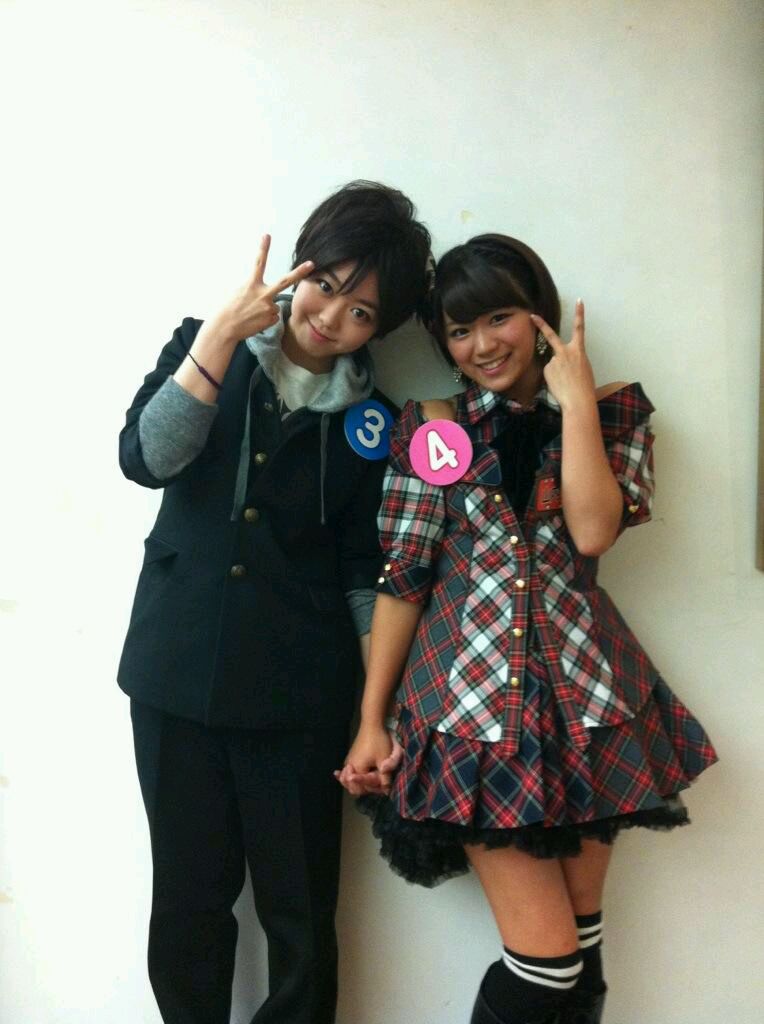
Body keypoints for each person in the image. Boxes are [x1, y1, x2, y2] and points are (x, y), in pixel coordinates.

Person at [338, 234, 718, 1024]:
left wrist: (574, 404)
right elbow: (404, 577)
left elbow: (592, 531)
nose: (482, 345)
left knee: (582, 958)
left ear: (538, 314)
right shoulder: (436, 428)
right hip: (472, 717)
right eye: (460, 330)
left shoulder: (609, 415)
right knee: (546, 967)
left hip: (588, 710)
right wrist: (374, 719)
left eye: (498, 318)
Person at [117, 180, 431, 1024]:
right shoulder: (203, 345)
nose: (331, 317)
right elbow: (146, 459)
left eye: (361, 312)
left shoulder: (376, 425)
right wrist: (220, 336)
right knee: (187, 906)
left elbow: (366, 573)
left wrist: (376, 714)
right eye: (325, 285)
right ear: (299, 266)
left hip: (300, 699)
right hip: (176, 675)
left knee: (301, 919)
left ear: (380, 329)